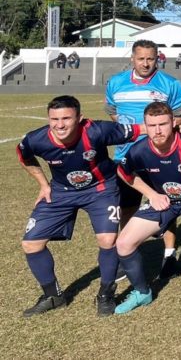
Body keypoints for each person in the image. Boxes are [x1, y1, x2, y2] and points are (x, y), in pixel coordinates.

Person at [17, 96, 144, 317]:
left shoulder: (97, 131)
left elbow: (144, 128)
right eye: (54, 119)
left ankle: (106, 294)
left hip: (101, 189)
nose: (60, 125)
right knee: (31, 244)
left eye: (66, 118)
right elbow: (24, 156)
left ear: (80, 118)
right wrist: (43, 184)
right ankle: (53, 296)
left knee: (107, 240)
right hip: (61, 191)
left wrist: (178, 129)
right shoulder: (35, 139)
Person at [112, 102, 181, 316]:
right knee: (124, 243)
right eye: (152, 125)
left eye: (162, 124)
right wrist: (151, 194)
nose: (158, 130)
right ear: (145, 126)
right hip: (165, 201)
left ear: (173, 123)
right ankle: (142, 292)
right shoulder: (140, 149)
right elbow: (124, 172)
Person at [105, 39, 181, 279]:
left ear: (157, 59)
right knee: (127, 206)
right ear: (132, 58)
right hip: (125, 157)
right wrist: (131, 132)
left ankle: (169, 254)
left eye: (150, 59)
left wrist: (159, 132)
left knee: (167, 204)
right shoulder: (115, 83)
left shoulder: (169, 84)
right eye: (141, 58)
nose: (145, 63)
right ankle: (129, 252)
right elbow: (112, 112)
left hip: (160, 157)